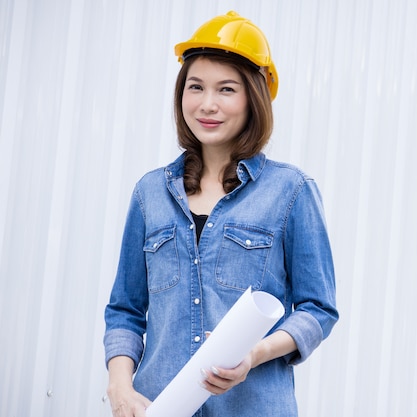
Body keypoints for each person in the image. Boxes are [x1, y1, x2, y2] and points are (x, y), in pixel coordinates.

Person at [103, 11, 339, 417]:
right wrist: (120, 388)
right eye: (195, 87)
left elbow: (319, 309)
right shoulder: (150, 194)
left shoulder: (291, 191)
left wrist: (256, 351)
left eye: (226, 89)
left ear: (253, 98)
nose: (207, 104)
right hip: (159, 407)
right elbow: (125, 310)